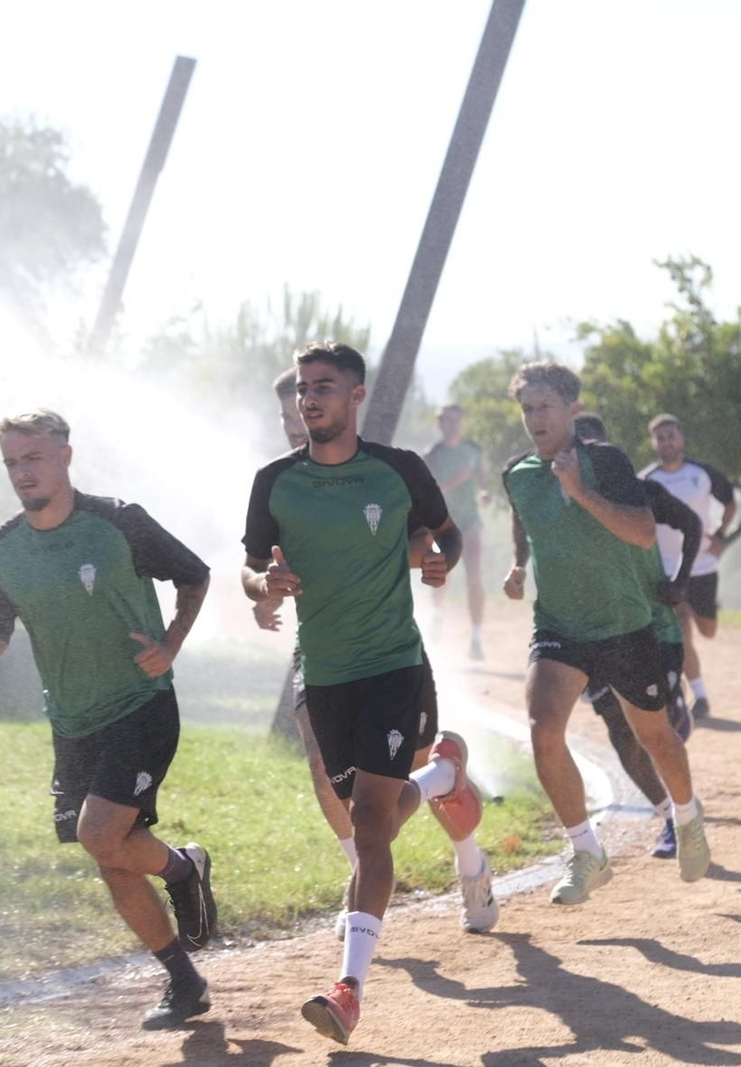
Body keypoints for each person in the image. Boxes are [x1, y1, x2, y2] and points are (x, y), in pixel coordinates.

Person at [241, 342, 482, 1045]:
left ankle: (348, 989)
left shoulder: (399, 469)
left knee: (370, 827)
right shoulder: (274, 482)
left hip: (391, 667)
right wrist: (265, 591)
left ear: (355, 395)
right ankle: (443, 774)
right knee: (371, 812)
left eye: (324, 386)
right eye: (303, 388)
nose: (310, 397)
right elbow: (252, 571)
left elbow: (446, 534)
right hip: (325, 674)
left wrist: (441, 564)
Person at [0, 409, 217, 1030]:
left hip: (141, 705)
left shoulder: (118, 521)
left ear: (65, 457)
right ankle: (184, 978)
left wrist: (171, 645)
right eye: (12, 462)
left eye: (33, 457)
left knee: (101, 834)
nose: (22, 472)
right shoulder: (0, 549)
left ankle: (182, 870)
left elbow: (195, 575)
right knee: (110, 856)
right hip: (71, 722)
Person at [500, 362, 710, 903]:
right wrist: (519, 566)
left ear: (572, 409)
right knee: (543, 730)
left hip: (623, 625)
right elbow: (525, 524)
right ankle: (586, 851)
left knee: (655, 737)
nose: (535, 418)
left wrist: (580, 491)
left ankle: (687, 818)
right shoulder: (518, 474)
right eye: (527, 409)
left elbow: (642, 535)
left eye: (544, 407)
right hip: (560, 628)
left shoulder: (607, 462)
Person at [639, 413, 736, 720]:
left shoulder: (703, 472)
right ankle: (701, 697)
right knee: (681, 629)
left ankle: (698, 620)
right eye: (661, 437)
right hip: (667, 566)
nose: (667, 441)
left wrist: (721, 535)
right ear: (654, 443)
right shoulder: (647, 480)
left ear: (681, 438)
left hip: (704, 565)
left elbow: (730, 502)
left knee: (707, 629)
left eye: (671, 435)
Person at [424, 404, 489, 658]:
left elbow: (482, 481)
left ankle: (476, 639)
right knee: (443, 574)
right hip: (444, 522)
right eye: (447, 421)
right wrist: (453, 482)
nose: (452, 425)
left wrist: (485, 494)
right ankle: (438, 614)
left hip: (470, 520)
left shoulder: (473, 450)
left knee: (474, 575)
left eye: (456, 420)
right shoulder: (432, 455)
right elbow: (429, 494)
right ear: (440, 424)